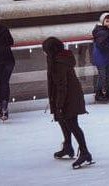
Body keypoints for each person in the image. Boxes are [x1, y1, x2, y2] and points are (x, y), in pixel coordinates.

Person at [42, 36, 93, 169]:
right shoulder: (57, 58)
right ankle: (68, 146)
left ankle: (85, 152)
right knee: (62, 120)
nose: (44, 53)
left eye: (45, 50)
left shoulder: (59, 62)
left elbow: (61, 86)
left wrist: (59, 105)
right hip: (66, 95)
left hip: (69, 97)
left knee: (72, 124)